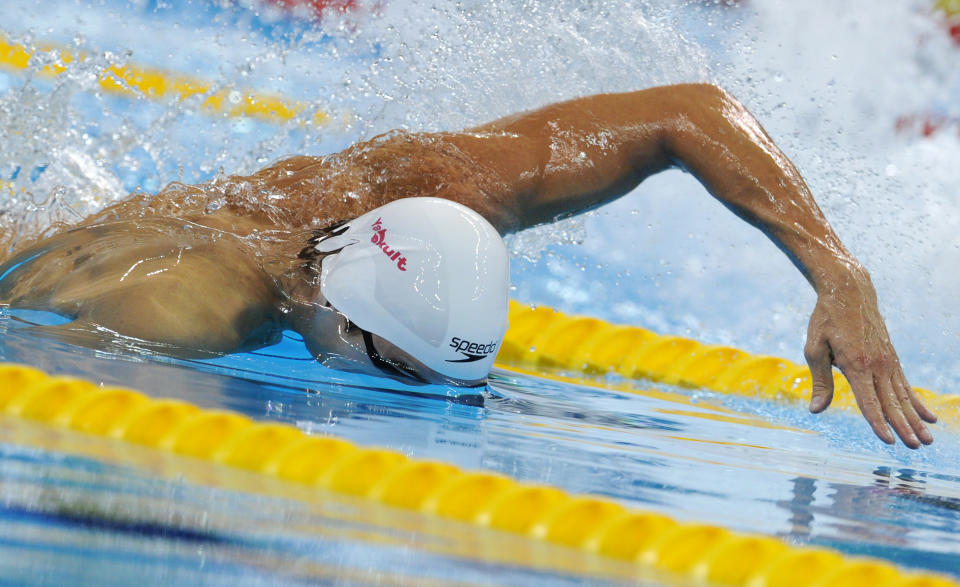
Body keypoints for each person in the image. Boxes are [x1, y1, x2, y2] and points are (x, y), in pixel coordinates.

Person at [0, 84, 936, 448]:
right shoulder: (190, 310)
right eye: (398, 369)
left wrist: (838, 274)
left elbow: (689, 113)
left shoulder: (445, 189)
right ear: (336, 305)